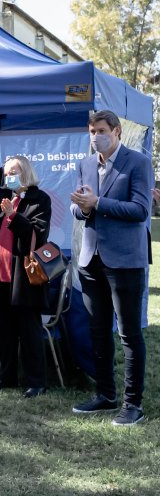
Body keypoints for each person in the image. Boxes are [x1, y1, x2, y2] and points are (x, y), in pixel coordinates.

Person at [70, 110, 152, 426]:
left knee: (129, 333)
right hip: (92, 259)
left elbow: (140, 209)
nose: (95, 136)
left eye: (100, 130)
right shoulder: (86, 164)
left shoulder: (138, 162)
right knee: (98, 331)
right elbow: (80, 210)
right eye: (91, 131)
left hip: (125, 261)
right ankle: (105, 395)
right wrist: (80, 206)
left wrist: (97, 204)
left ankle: (134, 405)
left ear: (116, 132)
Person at [0, 156, 51, 398]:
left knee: (29, 330)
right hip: (0, 274)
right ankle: (6, 377)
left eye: (14, 171)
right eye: (6, 173)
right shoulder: (2, 197)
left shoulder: (40, 198)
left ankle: (37, 381)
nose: (9, 177)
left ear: (26, 172)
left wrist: (13, 216)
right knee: (5, 332)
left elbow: (37, 233)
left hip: (24, 276)